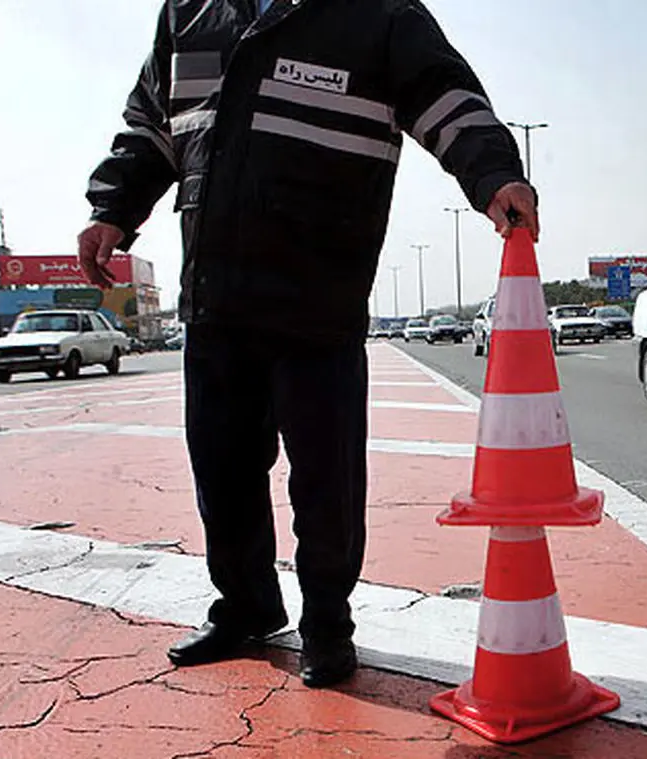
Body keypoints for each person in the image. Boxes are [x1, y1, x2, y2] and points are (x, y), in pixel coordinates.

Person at [77, 0, 537, 688]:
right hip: (215, 296)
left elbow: (447, 96)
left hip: (319, 293)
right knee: (222, 469)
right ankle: (245, 606)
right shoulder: (190, 13)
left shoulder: (377, 15)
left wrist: (492, 173)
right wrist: (111, 209)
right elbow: (151, 127)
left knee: (325, 478)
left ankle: (328, 623)